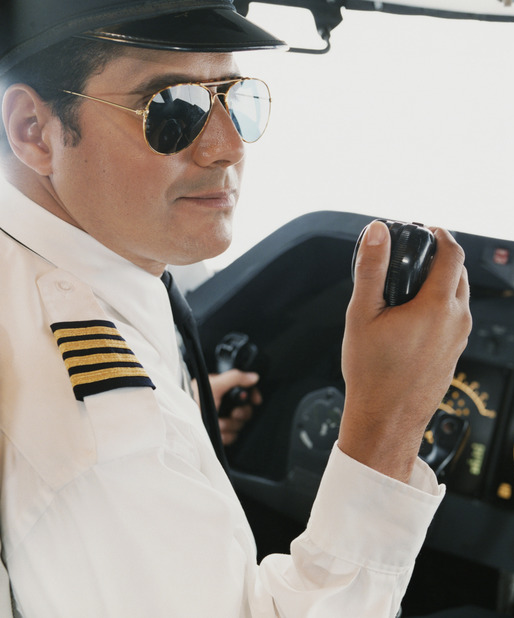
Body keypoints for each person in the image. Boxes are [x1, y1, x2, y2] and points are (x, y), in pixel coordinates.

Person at [0, 1, 471, 616]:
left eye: (235, 98)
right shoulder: (104, 448)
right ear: (33, 129)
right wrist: (388, 426)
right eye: (172, 110)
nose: (226, 147)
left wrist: (181, 425)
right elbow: (93, 456)